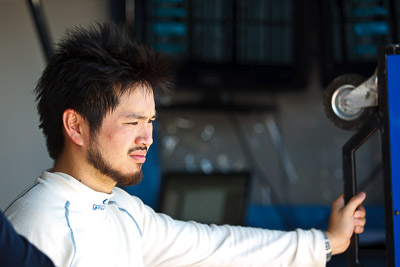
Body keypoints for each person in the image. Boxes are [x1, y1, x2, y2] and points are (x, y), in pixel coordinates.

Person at [5, 23, 366, 267]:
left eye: (150, 122)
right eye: (132, 122)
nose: (147, 138)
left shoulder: (122, 210)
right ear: (75, 126)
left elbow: (216, 247)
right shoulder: (34, 227)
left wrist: (328, 241)